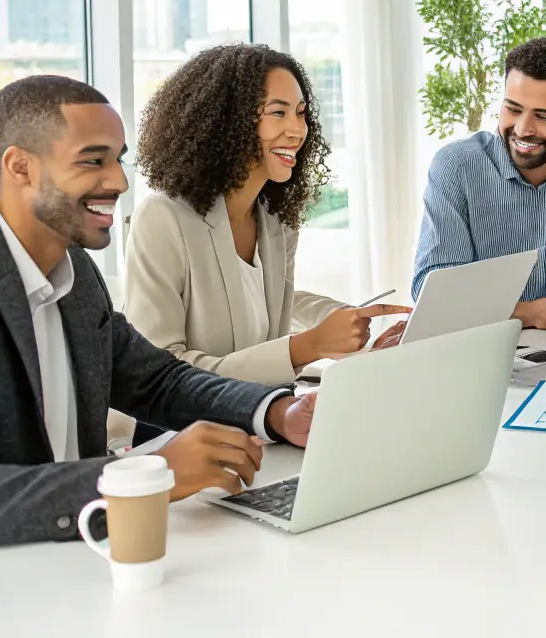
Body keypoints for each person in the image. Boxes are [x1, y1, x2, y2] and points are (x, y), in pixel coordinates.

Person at [0, 76, 318, 552]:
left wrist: (277, 411)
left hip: (86, 556)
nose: (119, 181)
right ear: (20, 166)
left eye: (117, 159)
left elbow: (156, 381)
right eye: (93, 161)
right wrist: (144, 476)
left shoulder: (72, 267)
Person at [124, 44, 410, 397]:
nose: (297, 131)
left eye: (301, 113)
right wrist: (310, 345)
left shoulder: (276, 223)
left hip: (262, 421)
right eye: (278, 113)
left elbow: (269, 304)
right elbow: (159, 373)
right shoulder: (162, 219)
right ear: (227, 120)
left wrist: (352, 319)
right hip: (179, 437)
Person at [412, 36, 546, 331]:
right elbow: (432, 289)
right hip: (476, 343)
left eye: (543, 116)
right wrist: (525, 313)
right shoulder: (456, 166)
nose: (522, 129)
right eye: (513, 109)